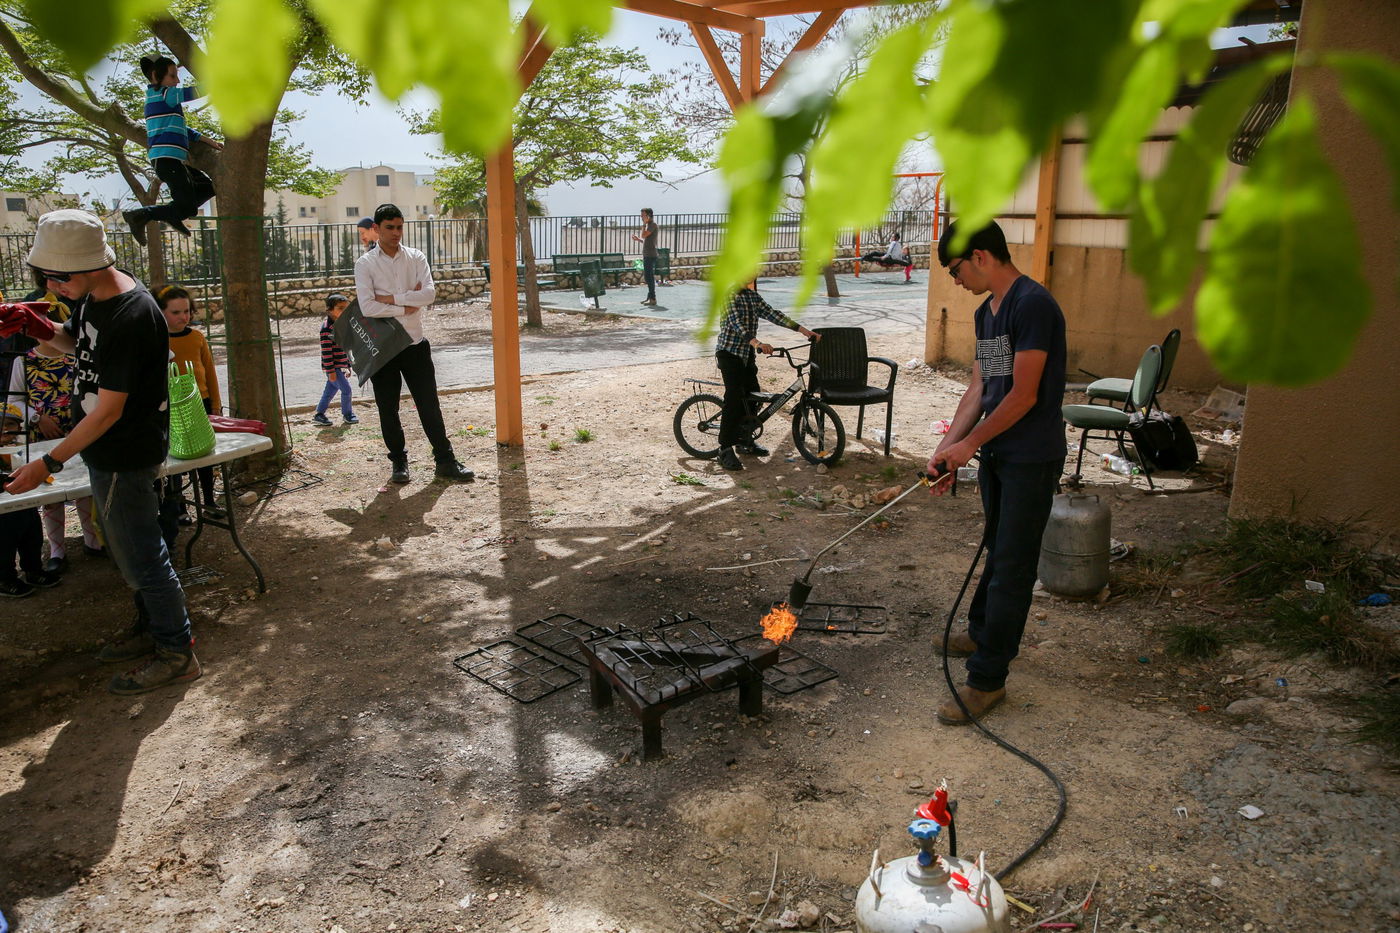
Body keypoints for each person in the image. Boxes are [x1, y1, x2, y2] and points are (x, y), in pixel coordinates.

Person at [2, 209, 200, 694]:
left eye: (56, 276)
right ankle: (150, 630)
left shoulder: (132, 314)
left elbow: (110, 410)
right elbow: (77, 349)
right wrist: (38, 329)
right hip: (104, 450)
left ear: (87, 266)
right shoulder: (94, 297)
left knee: (142, 557)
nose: (51, 285)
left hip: (124, 451)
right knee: (133, 552)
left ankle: (177, 652)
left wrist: (48, 463)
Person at [927, 220, 1066, 726]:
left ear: (981, 256)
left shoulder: (1033, 306)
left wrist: (970, 445)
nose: (956, 279)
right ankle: (985, 633)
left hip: (1031, 457)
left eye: (956, 268)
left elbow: (1024, 396)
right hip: (999, 457)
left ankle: (987, 680)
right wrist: (946, 450)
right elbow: (982, 391)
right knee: (997, 548)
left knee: (1013, 567)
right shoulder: (989, 313)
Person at [353, 203, 474, 485]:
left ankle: (445, 461)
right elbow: (367, 307)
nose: (396, 233)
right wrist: (406, 302)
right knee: (388, 407)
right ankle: (399, 462)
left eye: (399, 227)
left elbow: (429, 295)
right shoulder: (365, 264)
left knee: (429, 404)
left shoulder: (416, 257)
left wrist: (390, 299)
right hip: (383, 348)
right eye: (389, 228)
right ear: (377, 229)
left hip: (415, 344)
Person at [7, 328, 101, 575]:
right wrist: (38, 418)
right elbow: (14, 400)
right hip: (42, 437)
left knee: (84, 485)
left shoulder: (76, 358)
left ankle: (92, 540)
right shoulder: (24, 361)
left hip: (78, 433)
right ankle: (57, 550)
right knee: (52, 493)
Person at [713, 281, 819, 472]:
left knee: (754, 396)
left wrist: (804, 331)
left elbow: (774, 314)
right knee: (734, 398)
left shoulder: (752, 296)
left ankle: (745, 440)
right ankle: (725, 448)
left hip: (746, 354)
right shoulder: (730, 294)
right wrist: (757, 343)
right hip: (730, 354)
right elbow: (736, 324)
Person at [122, 55, 222, 247]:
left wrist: (210, 142)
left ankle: (173, 214)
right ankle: (140, 215)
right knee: (187, 206)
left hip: (172, 160)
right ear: (155, 76)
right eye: (172, 76)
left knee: (207, 187)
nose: (177, 81)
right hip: (167, 160)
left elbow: (183, 129)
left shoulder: (162, 100)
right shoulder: (164, 93)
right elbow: (194, 92)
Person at [157, 284, 223, 523]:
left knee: (205, 456)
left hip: (201, 404)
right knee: (176, 460)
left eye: (186, 311)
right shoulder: (156, 340)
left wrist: (215, 405)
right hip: (172, 408)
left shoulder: (197, 337)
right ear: (161, 312)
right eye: (176, 312)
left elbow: (210, 372)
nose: (183, 317)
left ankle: (209, 501)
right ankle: (180, 508)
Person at [313, 293, 357, 426]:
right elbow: (326, 352)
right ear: (329, 310)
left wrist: (348, 365)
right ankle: (348, 414)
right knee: (346, 390)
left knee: (329, 391)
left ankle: (319, 414)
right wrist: (331, 371)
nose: (344, 311)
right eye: (340, 308)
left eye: (346, 308)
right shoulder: (327, 329)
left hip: (340, 366)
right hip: (333, 367)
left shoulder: (342, 325)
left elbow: (345, 347)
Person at [632, 208, 658, 305]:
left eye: (643, 215)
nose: (641, 217)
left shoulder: (652, 225)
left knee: (649, 277)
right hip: (647, 254)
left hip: (651, 255)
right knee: (648, 277)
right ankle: (650, 297)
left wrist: (643, 225)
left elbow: (644, 235)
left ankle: (653, 298)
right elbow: (646, 240)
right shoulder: (649, 226)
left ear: (648, 215)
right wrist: (638, 240)